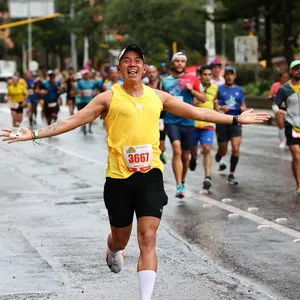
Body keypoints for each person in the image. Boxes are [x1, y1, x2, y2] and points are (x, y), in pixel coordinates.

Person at [1, 44, 270, 300]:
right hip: (118, 178)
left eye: (137, 61)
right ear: (119, 68)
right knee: (121, 238)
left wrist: (236, 118)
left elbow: (196, 111)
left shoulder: (158, 97)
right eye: (127, 61)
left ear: (144, 68)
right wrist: (33, 133)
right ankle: (113, 249)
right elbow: (72, 120)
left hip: (150, 175)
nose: (133, 64)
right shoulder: (107, 98)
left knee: (148, 237)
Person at [162, 52, 205, 198]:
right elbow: (159, 100)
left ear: (185, 64)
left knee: (186, 156)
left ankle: (183, 179)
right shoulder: (165, 81)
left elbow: (203, 98)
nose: (180, 64)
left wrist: (191, 90)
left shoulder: (192, 79)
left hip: (187, 121)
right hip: (171, 121)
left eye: (182, 61)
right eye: (177, 61)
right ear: (172, 63)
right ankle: (179, 185)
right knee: (177, 150)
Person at [215, 66, 247, 185]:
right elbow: (215, 105)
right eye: (227, 74)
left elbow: (244, 105)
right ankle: (219, 154)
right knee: (223, 149)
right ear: (224, 76)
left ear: (235, 76)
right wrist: (220, 108)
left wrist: (243, 109)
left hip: (236, 120)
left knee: (235, 147)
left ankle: (231, 174)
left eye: (231, 74)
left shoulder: (239, 90)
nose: (229, 76)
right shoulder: (219, 89)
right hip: (222, 121)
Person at [190, 65, 218, 191]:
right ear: (200, 76)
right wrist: (200, 93)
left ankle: (207, 177)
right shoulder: (194, 86)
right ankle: (194, 158)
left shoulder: (215, 88)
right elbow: (192, 103)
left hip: (208, 124)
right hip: (193, 124)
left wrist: (219, 111)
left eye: (209, 74)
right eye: (205, 75)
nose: (207, 77)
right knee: (193, 150)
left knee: (207, 149)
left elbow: (215, 102)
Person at [273, 60, 300, 195]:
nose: (299, 71)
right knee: (296, 154)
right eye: (296, 69)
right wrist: (277, 111)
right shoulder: (284, 88)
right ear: (291, 71)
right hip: (292, 124)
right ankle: (299, 184)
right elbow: (275, 104)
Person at [145, 65, 167, 164]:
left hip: (161, 118)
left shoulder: (163, 86)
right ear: (146, 74)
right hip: (148, 118)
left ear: (157, 73)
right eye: (149, 72)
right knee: (149, 144)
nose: (151, 74)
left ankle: (161, 153)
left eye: (153, 72)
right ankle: (154, 164)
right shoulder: (144, 87)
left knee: (161, 146)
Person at [268, 72, 289, 148]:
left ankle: (290, 139)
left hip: (289, 108)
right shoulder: (276, 85)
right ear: (280, 78)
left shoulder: (290, 86)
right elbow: (269, 96)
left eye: (287, 77)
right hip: (278, 107)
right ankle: (282, 141)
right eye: (284, 77)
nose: (285, 79)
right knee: (281, 125)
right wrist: (275, 97)